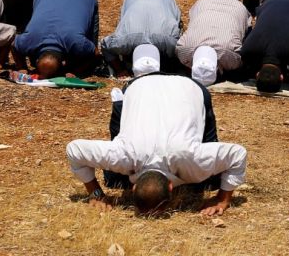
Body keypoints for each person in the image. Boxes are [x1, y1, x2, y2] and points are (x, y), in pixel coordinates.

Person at [65, 73, 247, 216]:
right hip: (147, 84)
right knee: (115, 179)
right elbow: (74, 149)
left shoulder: (192, 158)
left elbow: (238, 154)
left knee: (115, 180)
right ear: (169, 187)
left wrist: (223, 199)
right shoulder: (122, 155)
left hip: (182, 86)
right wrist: (96, 193)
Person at [13, 0, 99, 79]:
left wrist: (77, 71)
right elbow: (14, 45)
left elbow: (95, 53)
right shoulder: (29, 39)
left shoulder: (77, 42)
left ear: (63, 63)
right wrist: (22, 68)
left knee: (88, 50)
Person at [100, 0, 182, 76]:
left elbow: (105, 45)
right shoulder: (123, 43)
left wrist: (120, 70)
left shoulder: (170, 44)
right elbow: (105, 45)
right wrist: (120, 70)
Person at [176, 0, 251, 83]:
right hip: (203, 4)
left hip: (235, 8)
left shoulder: (230, 57)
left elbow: (242, 62)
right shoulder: (183, 52)